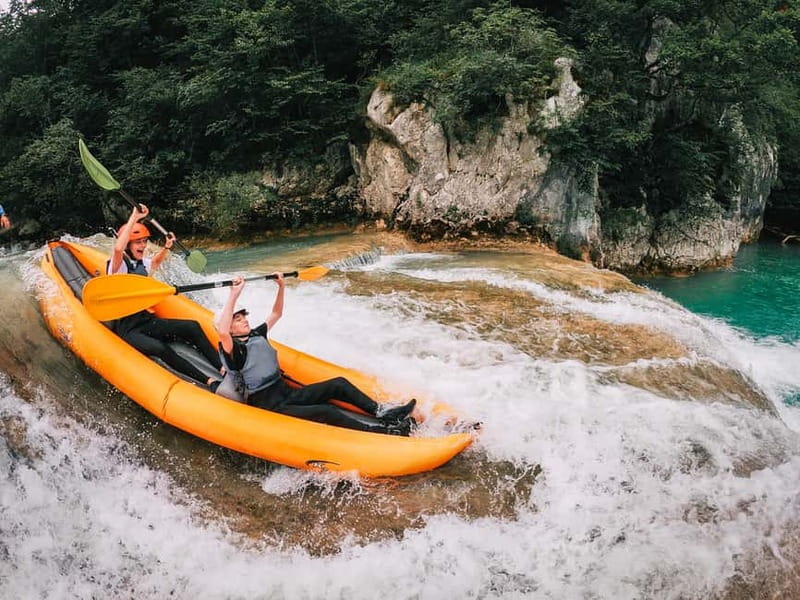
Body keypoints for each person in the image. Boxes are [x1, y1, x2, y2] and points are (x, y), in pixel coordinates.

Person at [216, 275, 417, 435]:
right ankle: (383, 432)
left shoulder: (256, 334)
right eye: (237, 319)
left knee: (338, 383)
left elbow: (276, 314)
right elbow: (223, 332)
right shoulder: (233, 349)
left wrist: (281, 287)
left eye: (243, 317)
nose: (244, 321)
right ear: (230, 328)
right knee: (326, 411)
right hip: (271, 405)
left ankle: (384, 413)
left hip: (285, 392)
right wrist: (234, 294)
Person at [108, 203, 223, 388]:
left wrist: (167, 247)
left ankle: (223, 367)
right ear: (128, 244)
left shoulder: (141, 263)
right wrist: (134, 217)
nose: (143, 245)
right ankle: (209, 381)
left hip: (145, 320)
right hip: (129, 329)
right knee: (161, 348)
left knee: (192, 327)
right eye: (138, 242)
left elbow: (154, 263)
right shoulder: (117, 266)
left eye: (145, 241)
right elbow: (117, 249)